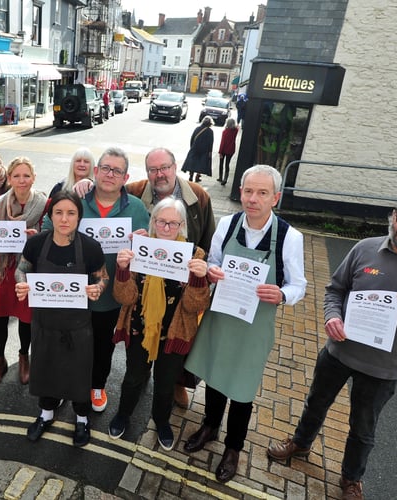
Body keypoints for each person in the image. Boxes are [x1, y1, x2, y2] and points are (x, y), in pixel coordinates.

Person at [266, 193, 397, 500]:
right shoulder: (365, 248)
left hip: (382, 368)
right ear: (393, 216)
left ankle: (352, 478)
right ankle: (300, 443)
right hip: (338, 352)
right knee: (316, 403)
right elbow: (335, 290)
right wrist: (332, 317)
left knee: (362, 429)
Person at [184, 164, 307, 484]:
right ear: (241, 192)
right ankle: (210, 426)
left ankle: (233, 448)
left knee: (241, 387)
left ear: (275, 198)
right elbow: (213, 263)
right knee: (213, 373)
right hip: (222, 315)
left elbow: (300, 286)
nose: (253, 198)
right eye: (248, 191)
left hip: (254, 324)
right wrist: (210, 274)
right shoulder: (228, 224)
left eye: (262, 193)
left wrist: (281, 294)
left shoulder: (290, 237)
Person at [44, 147, 150, 413]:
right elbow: (48, 229)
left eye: (117, 171)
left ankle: (96, 385)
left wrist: (144, 242)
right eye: (105, 168)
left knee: (102, 345)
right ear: (95, 171)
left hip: (110, 296)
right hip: (70, 293)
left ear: (125, 178)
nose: (110, 175)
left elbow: (148, 252)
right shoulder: (76, 198)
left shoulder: (136, 208)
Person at [108, 198, 211, 451]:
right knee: (133, 378)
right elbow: (125, 297)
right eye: (161, 221)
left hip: (173, 333)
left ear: (181, 225)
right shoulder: (138, 248)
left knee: (165, 384)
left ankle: (162, 421)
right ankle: (123, 414)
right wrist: (122, 270)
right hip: (139, 328)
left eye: (172, 223)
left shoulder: (193, 255)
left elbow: (195, 305)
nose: (166, 227)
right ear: (153, 222)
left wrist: (199, 279)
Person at [125, 147, 217, 408]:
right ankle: (141, 376)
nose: (159, 174)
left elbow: (208, 239)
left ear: (175, 167)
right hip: (146, 282)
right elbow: (106, 188)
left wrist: (202, 270)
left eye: (164, 167)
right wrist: (85, 182)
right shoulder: (134, 191)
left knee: (177, 338)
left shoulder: (198, 196)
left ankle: (176, 383)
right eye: (153, 169)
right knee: (143, 339)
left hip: (182, 284)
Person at [14, 191, 108, 447]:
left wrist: (97, 288)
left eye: (71, 213)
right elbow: (21, 269)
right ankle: (45, 414)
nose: (64, 219)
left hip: (77, 327)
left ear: (79, 216)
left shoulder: (90, 248)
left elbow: (103, 277)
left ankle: (81, 419)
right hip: (44, 324)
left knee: (79, 374)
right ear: (50, 215)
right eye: (58, 212)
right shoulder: (36, 244)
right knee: (45, 370)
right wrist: (21, 285)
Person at [0, 156, 48, 387]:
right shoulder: (0, 202)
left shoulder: (45, 203)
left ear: (34, 178)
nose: (22, 180)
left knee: (26, 318)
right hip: (3, 267)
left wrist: (37, 238)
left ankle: (23, 357)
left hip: (29, 269)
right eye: (16, 175)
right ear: (9, 178)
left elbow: (51, 236)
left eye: (26, 175)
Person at [181, 116, 214, 183]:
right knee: (201, 163)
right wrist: (210, 151)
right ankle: (198, 176)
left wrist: (192, 147)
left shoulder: (197, 129)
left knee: (193, 162)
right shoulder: (210, 131)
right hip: (204, 150)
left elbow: (192, 138)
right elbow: (210, 142)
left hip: (195, 148)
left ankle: (191, 175)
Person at [217, 118, 238, 186]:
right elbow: (238, 127)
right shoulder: (235, 131)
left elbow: (222, 143)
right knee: (227, 164)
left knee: (221, 163)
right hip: (231, 150)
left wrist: (220, 152)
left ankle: (220, 177)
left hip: (224, 150)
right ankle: (225, 178)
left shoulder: (225, 132)